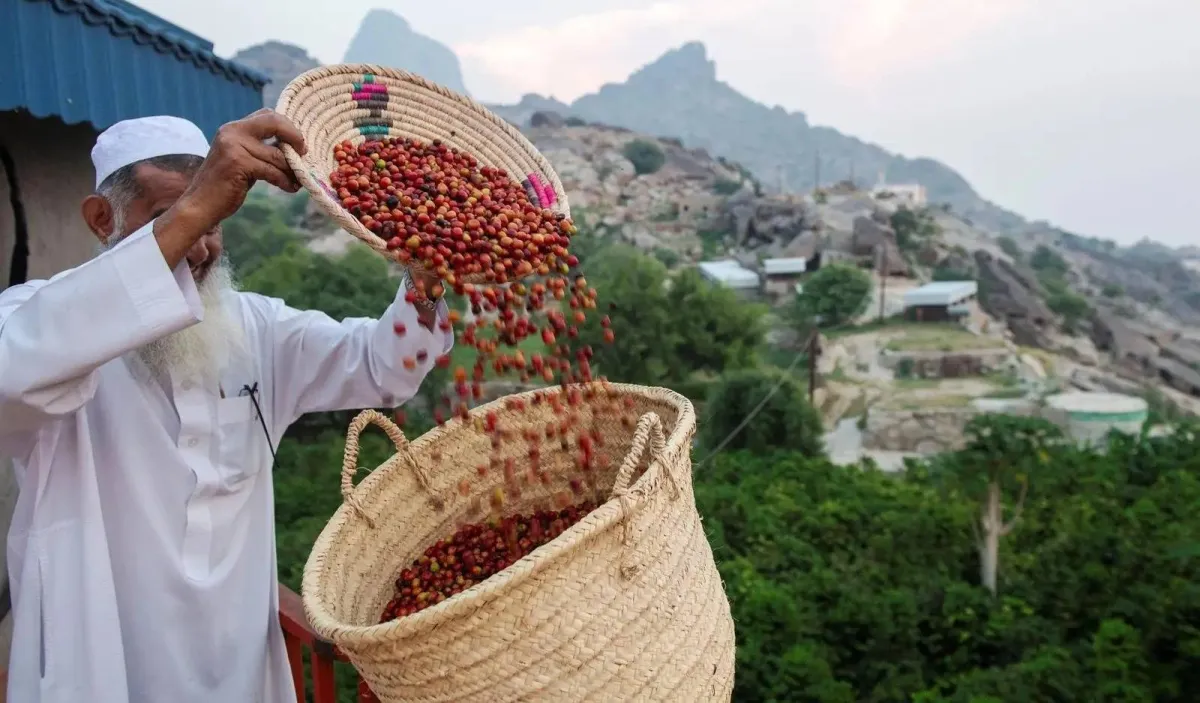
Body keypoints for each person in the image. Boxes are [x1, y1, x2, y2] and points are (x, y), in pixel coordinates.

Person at [0, 110, 452, 702]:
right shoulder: (40, 320)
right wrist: (195, 210)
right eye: (173, 217)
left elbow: (384, 367)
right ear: (101, 218)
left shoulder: (256, 328)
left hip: (238, 664)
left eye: (216, 222)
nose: (200, 245)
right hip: (103, 665)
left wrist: (425, 282)